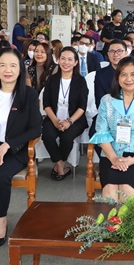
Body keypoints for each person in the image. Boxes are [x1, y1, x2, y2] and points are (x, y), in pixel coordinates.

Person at [0, 48, 42, 247]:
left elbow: (35, 129)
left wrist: (7, 146)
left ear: (20, 69)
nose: (7, 70)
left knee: (0, 176)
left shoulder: (29, 95)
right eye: (2, 65)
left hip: (15, 150)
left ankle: (1, 219)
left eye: (13, 65)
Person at [90, 56, 134, 201]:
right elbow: (101, 133)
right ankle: (109, 218)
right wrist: (114, 158)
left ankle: (128, 217)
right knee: (110, 190)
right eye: (124, 74)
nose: (129, 79)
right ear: (117, 78)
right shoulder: (107, 101)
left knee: (127, 189)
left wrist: (133, 160)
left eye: (133, 74)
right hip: (111, 154)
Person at [42, 47, 88, 180]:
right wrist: (56, 121)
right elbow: (46, 104)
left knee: (66, 137)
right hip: (53, 117)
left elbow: (82, 107)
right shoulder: (52, 79)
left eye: (70, 59)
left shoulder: (80, 81)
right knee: (47, 135)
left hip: (75, 119)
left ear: (75, 62)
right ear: (58, 60)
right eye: (63, 58)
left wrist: (69, 122)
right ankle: (60, 164)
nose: (66, 62)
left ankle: (59, 165)